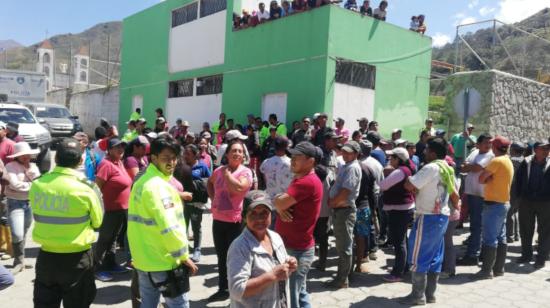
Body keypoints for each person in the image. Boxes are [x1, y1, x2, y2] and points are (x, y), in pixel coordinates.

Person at [31, 138, 103, 307]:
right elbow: (98, 221)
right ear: (80, 160)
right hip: (78, 259)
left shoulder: (38, 184)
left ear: (56, 159)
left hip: (47, 258)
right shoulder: (88, 187)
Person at [128, 135, 198, 307]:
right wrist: (183, 256)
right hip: (163, 262)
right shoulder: (159, 187)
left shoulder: (142, 181)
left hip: (144, 260)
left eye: (174, 158)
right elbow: (170, 227)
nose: (172, 163)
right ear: (153, 158)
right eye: (166, 158)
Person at [399, 137, 458, 305]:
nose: (423, 152)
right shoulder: (447, 167)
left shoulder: (430, 167)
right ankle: (430, 294)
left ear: (432, 152)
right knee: (435, 256)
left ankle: (417, 297)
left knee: (419, 257)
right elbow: (454, 193)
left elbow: (410, 186)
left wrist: (409, 180)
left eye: (426, 150)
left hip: (427, 217)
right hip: (442, 217)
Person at [228, 190, 298, 308]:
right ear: (244, 217)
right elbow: (236, 290)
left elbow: (279, 265)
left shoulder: (275, 237)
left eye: (264, 213)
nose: (259, 218)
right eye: (253, 213)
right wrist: (272, 275)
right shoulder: (239, 247)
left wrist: (290, 263)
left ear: (271, 214)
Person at [274, 141, 322, 307]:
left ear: (311, 161)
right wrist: (280, 206)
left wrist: (278, 205)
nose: (292, 160)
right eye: (292, 156)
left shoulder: (306, 182)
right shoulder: (300, 179)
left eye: (297, 157)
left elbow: (279, 203)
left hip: (296, 249)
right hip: (297, 246)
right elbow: (280, 203)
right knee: (300, 292)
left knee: (291, 295)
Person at [207, 140, 253, 302]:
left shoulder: (246, 172)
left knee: (236, 258)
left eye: (240, 151)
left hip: (236, 222)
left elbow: (240, 188)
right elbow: (209, 183)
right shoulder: (219, 170)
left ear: (243, 155)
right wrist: (213, 200)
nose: (237, 153)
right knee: (221, 257)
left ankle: (239, 292)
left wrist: (227, 175)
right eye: (234, 150)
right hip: (218, 220)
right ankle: (223, 289)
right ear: (227, 154)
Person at [472, 136, 514, 279]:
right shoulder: (507, 160)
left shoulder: (496, 161)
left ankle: (486, 272)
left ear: (495, 147)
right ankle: (498, 269)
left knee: (490, 238)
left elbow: (481, 178)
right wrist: (490, 178)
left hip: (494, 204)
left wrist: (488, 178)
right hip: (503, 203)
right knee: (501, 237)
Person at [94, 138, 132, 282]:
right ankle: (97, 269)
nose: (120, 150)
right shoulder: (106, 164)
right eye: (117, 147)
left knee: (113, 239)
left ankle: (110, 264)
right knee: (104, 240)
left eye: (122, 147)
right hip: (109, 210)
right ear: (109, 150)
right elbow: (97, 186)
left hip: (121, 209)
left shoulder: (119, 162)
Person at [326, 141, 362, 289]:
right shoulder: (347, 166)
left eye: (349, 152)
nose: (345, 154)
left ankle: (342, 280)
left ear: (356, 154)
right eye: (344, 151)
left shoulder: (353, 168)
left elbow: (346, 191)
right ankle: (345, 276)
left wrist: (333, 202)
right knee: (344, 245)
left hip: (344, 210)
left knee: (344, 247)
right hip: (340, 209)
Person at [457, 134, 494, 265]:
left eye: (490, 142)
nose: (489, 145)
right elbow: (463, 166)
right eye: (485, 142)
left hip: (482, 195)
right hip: (471, 193)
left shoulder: (490, 155)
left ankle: (473, 255)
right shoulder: (474, 153)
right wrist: (470, 166)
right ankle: (477, 253)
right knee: (475, 225)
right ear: (478, 144)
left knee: (478, 226)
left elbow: (477, 168)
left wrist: (470, 166)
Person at [379, 147, 415, 283]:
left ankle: (398, 272)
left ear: (398, 159)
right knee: (402, 240)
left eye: (392, 157)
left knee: (398, 242)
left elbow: (383, 185)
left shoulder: (400, 171)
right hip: (402, 209)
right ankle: (404, 267)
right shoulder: (403, 170)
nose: (389, 160)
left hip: (399, 210)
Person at [5, 142, 40, 274]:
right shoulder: (10, 166)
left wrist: (29, 183)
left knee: (23, 232)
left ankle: (20, 261)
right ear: (17, 156)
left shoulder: (34, 166)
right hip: (15, 203)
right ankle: (19, 261)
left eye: (27, 154)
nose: (26, 157)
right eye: (22, 155)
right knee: (17, 233)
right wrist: (32, 185)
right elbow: (14, 185)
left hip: (29, 203)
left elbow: (39, 183)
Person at [514, 141, 550, 268]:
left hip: (545, 203)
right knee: (525, 229)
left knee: (545, 231)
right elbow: (518, 180)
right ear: (535, 150)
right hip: (526, 201)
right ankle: (526, 255)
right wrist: (518, 197)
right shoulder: (526, 162)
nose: (546, 151)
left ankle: (541, 258)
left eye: (547, 148)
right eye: (543, 148)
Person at [180, 144, 211, 263]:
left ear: (195, 155)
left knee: (196, 227)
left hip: (196, 203)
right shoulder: (182, 167)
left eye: (187, 154)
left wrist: (197, 184)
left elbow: (209, 181)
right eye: (184, 154)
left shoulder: (202, 166)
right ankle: (184, 248)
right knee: (182, 227)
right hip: (183, 202)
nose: (185, 156)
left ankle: (197, 249)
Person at [354, 141, 377, 273]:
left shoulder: (347, 168)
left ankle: (350, 266)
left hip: (351, 207)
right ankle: (359, 264)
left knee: (351, 237)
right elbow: (372, 193)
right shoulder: (368, 169)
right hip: (364, 207)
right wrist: (373, 211)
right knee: (361, 237)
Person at [260, 137, 293, 201]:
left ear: (274, 147)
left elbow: (265, 179)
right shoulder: (291, 163)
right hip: (285, 201)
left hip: (270, 199)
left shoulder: (266, 162)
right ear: (287, 147)